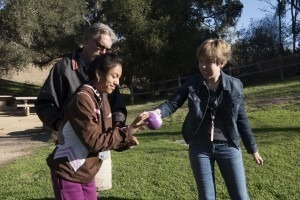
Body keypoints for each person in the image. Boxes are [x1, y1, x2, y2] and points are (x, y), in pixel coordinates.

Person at [151, 39, 263, 200]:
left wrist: (253, 149)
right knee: (206, 197)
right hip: (199, 147)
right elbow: (172, 103)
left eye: (208, 62)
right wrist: (158, 111)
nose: (202, 66)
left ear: (221, 63)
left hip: (228, 146)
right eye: (200, 61)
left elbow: (241, 119)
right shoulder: (192, 84)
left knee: (240, 196)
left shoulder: (234, 86)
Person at [35, 22, 125, 191]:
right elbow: (44, 103)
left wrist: (119, 126)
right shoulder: (63, 68)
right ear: (86, 39)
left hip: (100, 147)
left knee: (97, 190)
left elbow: (117, 107)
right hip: (72, 152)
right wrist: (58, 123)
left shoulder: (108, 72)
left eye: (108, 49)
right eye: (100, 46)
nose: (104, 52)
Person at [46, 53, 149, 200]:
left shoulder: (102, 98)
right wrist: (127, 131)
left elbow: (105, 138)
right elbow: (94, 142)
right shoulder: (82, 99)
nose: (117, 82)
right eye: (114, 76)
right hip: (68, 170)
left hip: (87, 172)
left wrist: (129, 134)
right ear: (99, 73)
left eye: (119, 77)